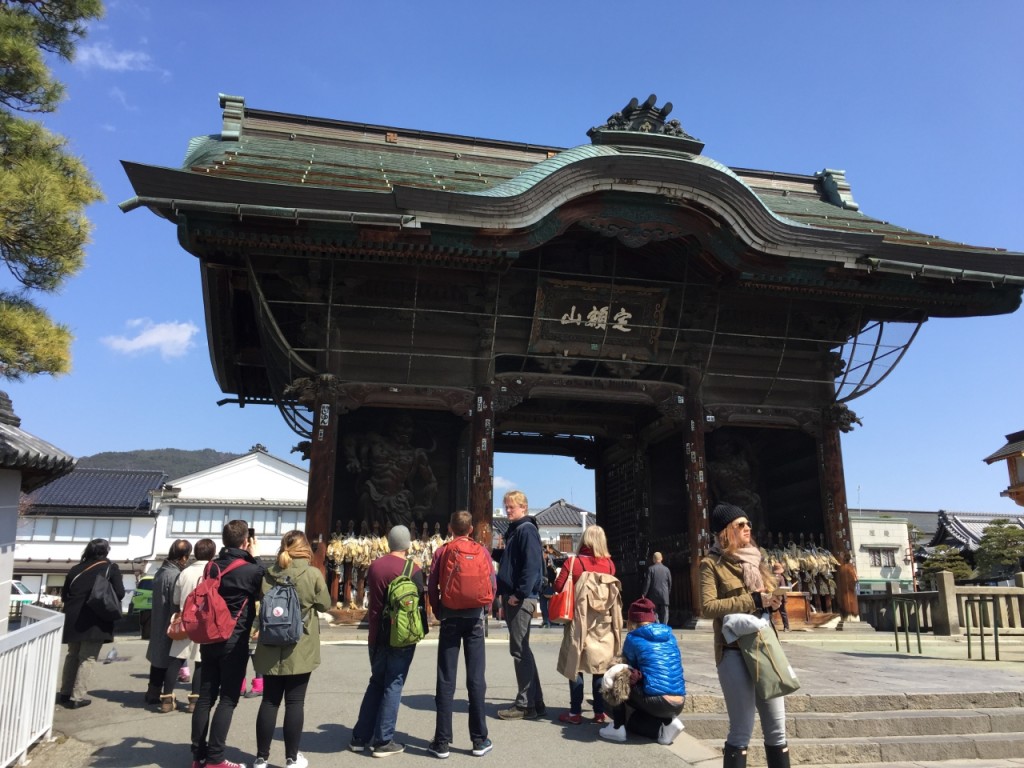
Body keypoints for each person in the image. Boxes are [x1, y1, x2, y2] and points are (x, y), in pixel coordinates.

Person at [699, 503, 789, 768]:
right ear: (727, 531)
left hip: (765, 647)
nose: (748, 528)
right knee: (741, 730)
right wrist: (752, 599)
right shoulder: (710, 564)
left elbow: (765, 596)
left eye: (748, 523)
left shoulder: (756, 559)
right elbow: (708, 607)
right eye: (741, 524)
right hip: (733, 651)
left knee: (777, 728)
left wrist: (772, 602)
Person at [252, 531, 331, 768]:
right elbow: (325, 603)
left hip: (270, 644)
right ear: (305, 548)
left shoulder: (269, 574)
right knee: (295, 703)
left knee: (269, 702)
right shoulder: (312, 574)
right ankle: (291, 758)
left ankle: (261, 758)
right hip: (300, 645)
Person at [190, 520, 265, 768]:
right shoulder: (251, 570)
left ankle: (198, 755)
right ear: (246, 541)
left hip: (209, 636)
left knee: (205, 697)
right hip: (234, 638)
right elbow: (259, 592)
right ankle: (216, 758)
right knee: (228, 698)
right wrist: (252, 557)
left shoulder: (212, 566)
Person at [350, 524, 428, 757]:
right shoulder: (413, 568)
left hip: (376, 634)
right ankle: (383, 740)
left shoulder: (375, 566)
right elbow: (418, 604)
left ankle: (359, 737)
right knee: (394, 683)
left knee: (376, 681)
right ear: (407, 544)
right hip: (401, 635)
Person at [426, 510, 496, 758]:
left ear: (450, 528)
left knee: (446, 678)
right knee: (476, 679)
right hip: (475, 619)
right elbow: (492, 583)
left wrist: (439, 609)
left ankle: (442, 742)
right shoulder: (482, 551)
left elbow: (432, 584)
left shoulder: (443, 551)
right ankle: (479, 739)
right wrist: (484, 609)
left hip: (450, 618)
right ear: (470, 530)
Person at [554, 525, 622, 725]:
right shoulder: (610, 565)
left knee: (576, 665)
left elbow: (558, 586)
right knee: (600, 666)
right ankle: (599, 713)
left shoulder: (573, 562)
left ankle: (575, 712)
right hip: (603, 623)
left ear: (584, 540)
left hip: (579, 620)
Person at [598, 597, 686, 745]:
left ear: (632, 621)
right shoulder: (670, 636)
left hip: (657, 701)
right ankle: (668, 724)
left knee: (617, 675)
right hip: (679, 702)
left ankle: (617, 727)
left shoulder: (633, 637)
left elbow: (626, 666)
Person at [495, 490, 546, 720]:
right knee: (523, 649)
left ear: (523, 507)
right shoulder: (516, 531)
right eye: (506, 506)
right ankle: (535, 701)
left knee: (519, 650)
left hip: (521, 598)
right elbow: (513, 561)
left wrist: (518, 593)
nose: (507, 510)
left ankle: (525, 704)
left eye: (511, 507)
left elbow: (531, 566)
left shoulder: (526, 530)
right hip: (516, 595)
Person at [58, 538, 126, 709]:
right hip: (95, 618)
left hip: (72, 616)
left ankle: (65, 692)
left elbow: (65, 595)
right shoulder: (110, 567)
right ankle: (77, 697)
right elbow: (119, 592)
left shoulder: (75, 569)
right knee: (87, 657)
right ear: (106, 551)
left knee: (72, 655)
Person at [145, 538, 193, 712]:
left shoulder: (160, 571)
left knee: (158, 658)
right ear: (183, 557)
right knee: (171, 659)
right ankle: (164, 696)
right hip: (171, 621)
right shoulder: (175, 575)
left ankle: (152, 692)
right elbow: (178, 601)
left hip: (158, 619)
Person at [173, 537, 216, 713]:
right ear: (213, 553)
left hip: (184, 618)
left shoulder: (184, 572)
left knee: (177, 658)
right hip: (203, 621)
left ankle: (167, 697)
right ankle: (194, 700)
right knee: (200, 661)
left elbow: (176, 598)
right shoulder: (212, 571)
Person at [642, 551, 672, 626]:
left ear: (653, 559)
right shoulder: (666, 569)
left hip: (654, 593)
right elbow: (670, 582)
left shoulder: (650, 569)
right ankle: (665, 626)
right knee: (665, 611)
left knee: (654, 611)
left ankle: (658, 625)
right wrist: (668, 592)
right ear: (661, 558)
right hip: (664, 593)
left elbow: (647, 583)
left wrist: (644, 593)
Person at [771, 563, 790, 632]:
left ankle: (772, 627)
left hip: (773, 596)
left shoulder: (771, 577)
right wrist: (785, 598)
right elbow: (783, 588)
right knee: (783, 612)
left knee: (772, 612)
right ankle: (786, 627)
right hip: (780, 597)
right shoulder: (781, 577)